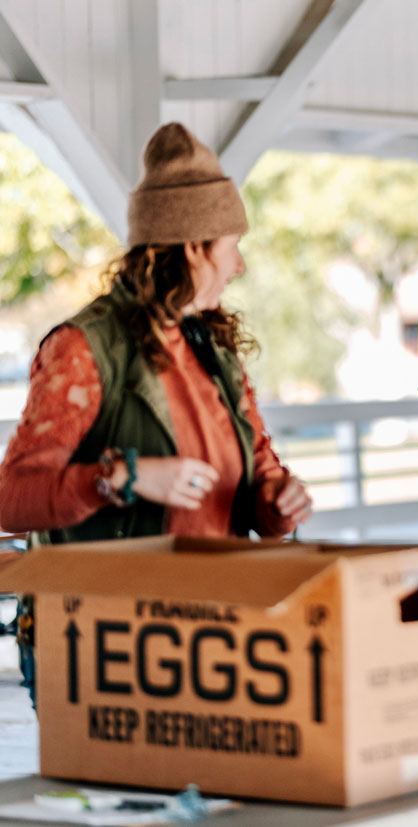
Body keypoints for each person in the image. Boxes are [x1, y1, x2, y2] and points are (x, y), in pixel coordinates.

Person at [0, 122, 313, 705]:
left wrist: (277, 500)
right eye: (232, 246)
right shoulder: (83, 348)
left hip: (213, 635)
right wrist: (124, 478)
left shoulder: (213, 349)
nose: (238, 266)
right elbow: (13, 496)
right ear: (195, 247)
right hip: (109, 643)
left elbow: (259, 469)